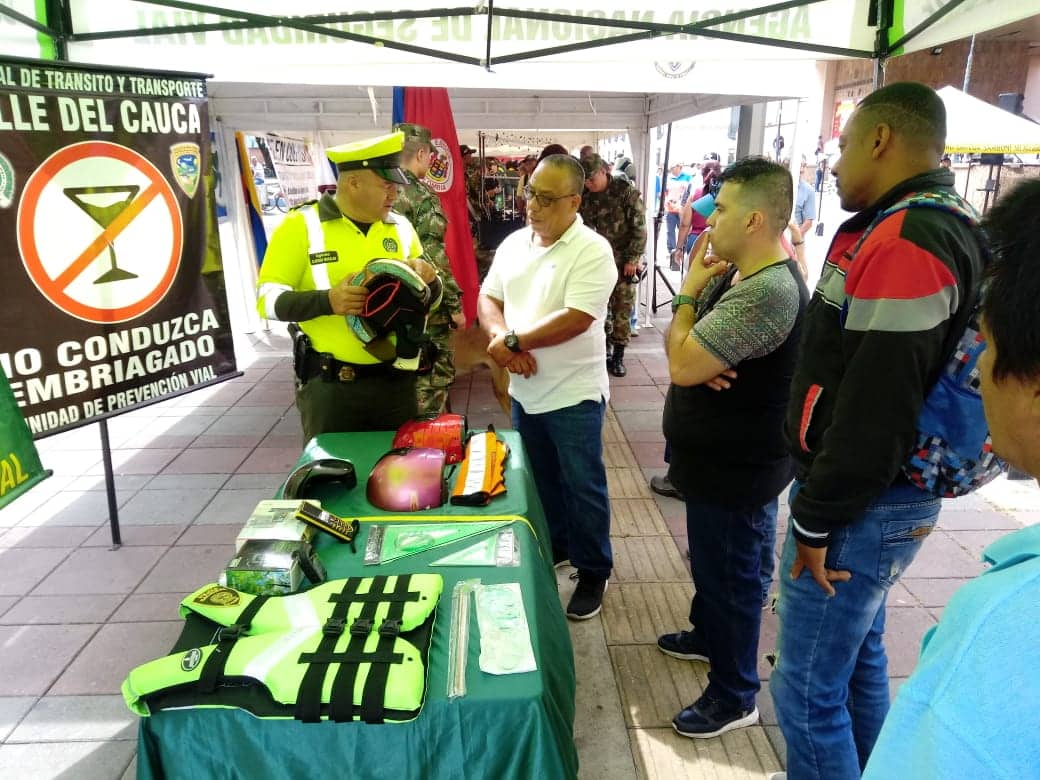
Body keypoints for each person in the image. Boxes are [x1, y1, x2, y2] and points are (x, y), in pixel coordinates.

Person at [769, 82, 988, 780]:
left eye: (842, 146)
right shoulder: (929, 223)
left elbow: (877, 405)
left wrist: (815, 519)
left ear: (882, 139)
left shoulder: (907, 240)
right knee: (857, 660)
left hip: (863, 504)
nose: (833, 164)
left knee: (805, 693)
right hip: (880, 498)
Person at [860, 179, 1040, 779]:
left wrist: (815, 519)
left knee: (813, 680)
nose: (977, 368)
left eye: (988, 344)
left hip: (875, 501)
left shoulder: (1000, 638)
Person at [657, 157, 809, 739]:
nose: (707, 219)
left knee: (733, 577)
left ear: (753, 220)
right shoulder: (739, 276)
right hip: (718, 462)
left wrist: (687, 299)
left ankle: (734, 693)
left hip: (737, 470)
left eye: (719, 209)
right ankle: (708, 635)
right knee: (717, 568)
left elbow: (681, 362)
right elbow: (688, 354)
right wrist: (695, 345)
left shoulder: (767, 290)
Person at [478, 154, 617, 620]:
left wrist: (513, 342)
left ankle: (593, 568)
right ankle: (558, 545)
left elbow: (577, 317)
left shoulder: (592, 250)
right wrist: (503, 340)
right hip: (526, 390)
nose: (533, 206)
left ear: (575, 202)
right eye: (530, 193)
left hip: (574, 393)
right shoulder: (514, 244)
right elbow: (488, 297)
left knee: (583, 485)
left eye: (546, 198)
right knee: (539, 479)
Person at [256, 130, 441, 442]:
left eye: (396, 186)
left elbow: (428, 299)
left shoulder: (401, 226)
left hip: (397, 382)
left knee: (401, 467)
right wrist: (328, 301)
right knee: (334, 468)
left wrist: (431, 279)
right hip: (333, 388)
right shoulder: (301, 226)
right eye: (386, 185)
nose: (395, 194)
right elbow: (268, 302)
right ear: (354, 183)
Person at [392, 122, 467, 415]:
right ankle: (424, 435)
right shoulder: (419, 195)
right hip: (422, 306)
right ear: (421, 153)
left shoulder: (378, 189)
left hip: (383, 306)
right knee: (430, 381)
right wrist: (454, 306)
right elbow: (431, 257)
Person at [580, 153, 647, 378]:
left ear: (604, 171)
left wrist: (633, 259)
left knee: (622, 309)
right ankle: (604, 351)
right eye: (585, 181)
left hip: (622, 262)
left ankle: (618, 355)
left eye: (592, 179)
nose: (589, 184)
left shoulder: (625, 192)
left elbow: (640, 229)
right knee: (599, 308)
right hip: (597, 261)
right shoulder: (586, 196)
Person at [663, 163, 691, 267]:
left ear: (679, 167)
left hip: (682, 210)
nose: (671, 169)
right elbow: (664, 192)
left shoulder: (687, 177)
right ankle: (672, 251)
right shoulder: (668, 178)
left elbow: (689, 193)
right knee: (670, 231)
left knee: (683, 229)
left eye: (673, 167)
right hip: (670, 209)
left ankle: (682, 250)